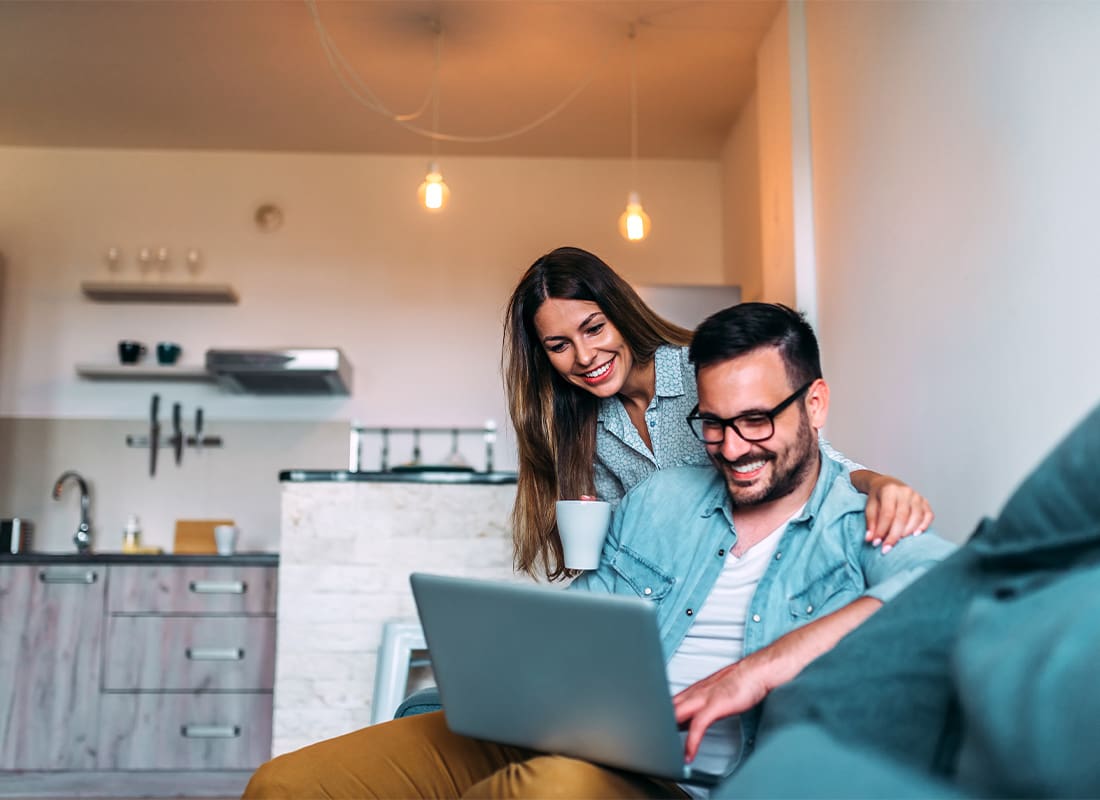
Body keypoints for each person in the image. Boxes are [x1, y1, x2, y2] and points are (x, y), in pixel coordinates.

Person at [242, 303, 955, 800]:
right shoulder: (659, 501)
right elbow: (588, 622)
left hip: (680, 782)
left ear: (816, 403)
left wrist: (754, 673)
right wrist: (507, 670)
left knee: (550, 790)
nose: (733, 449)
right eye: (712, 424)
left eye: (756, 420)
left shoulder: (865, 517)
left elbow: (952, 587)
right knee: (287, 785)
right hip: (574, 737)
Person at [505, 246, 933, 580]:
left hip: (759, 568)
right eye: (559, 345)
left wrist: (879, 483)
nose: (584, 356)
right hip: (676, 596)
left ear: (620, 315)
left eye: (594, 328)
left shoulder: (702, 373)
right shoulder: (584, 426)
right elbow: (619, 544)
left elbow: (809, 459)